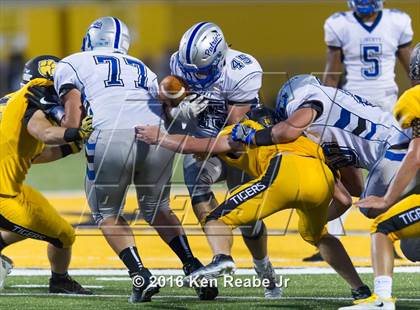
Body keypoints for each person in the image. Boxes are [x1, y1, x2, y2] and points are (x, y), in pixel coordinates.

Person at [52, 17, 217, 303]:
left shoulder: (71, 62)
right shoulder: (140, 66)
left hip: (109, 133)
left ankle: (140, 275)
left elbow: (73, 119)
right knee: (157, 208)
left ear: (91, 38)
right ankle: (193, 265)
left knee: (106, 214)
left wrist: (56, 128)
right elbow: (165, 107)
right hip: (155, 134)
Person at [135, 106, 372, 303]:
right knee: (319, 236)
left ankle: (222, 258)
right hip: (320, 178)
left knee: (216, 218)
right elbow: (343, 200)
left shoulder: (246, 129)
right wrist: (320, 218)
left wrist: (161, 137)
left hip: (282, 173)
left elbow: (195, 146)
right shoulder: (305, 139)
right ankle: (359, 288)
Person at [166, 22, 280, 298]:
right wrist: (176, 109)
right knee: (198, 190)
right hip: (202, 145)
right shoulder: (180, 63)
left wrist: (197, 139)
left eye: (203, 70)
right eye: (191, 71)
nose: (196, 76)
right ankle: (220, 256)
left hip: (237, 148)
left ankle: (263, 267)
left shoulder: (242, 70)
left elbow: (232, 130)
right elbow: (168, 96)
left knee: (248, 220)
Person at [0, 55, 92, 294]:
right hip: (2, 196)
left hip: (11, 189)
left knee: (52, 227)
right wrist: (73, 133)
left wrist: (70, 145)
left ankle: (59, 280)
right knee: (63, 236)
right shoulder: (35, 96)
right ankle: (59, 281)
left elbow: (33, 154)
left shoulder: (10, 102)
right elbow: (43, 132)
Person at [338, 43, 420, 310]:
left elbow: (416, 155)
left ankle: (382, 300)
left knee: (383, 227)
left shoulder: (415, 98)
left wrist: (386, 200)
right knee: (413, 247)